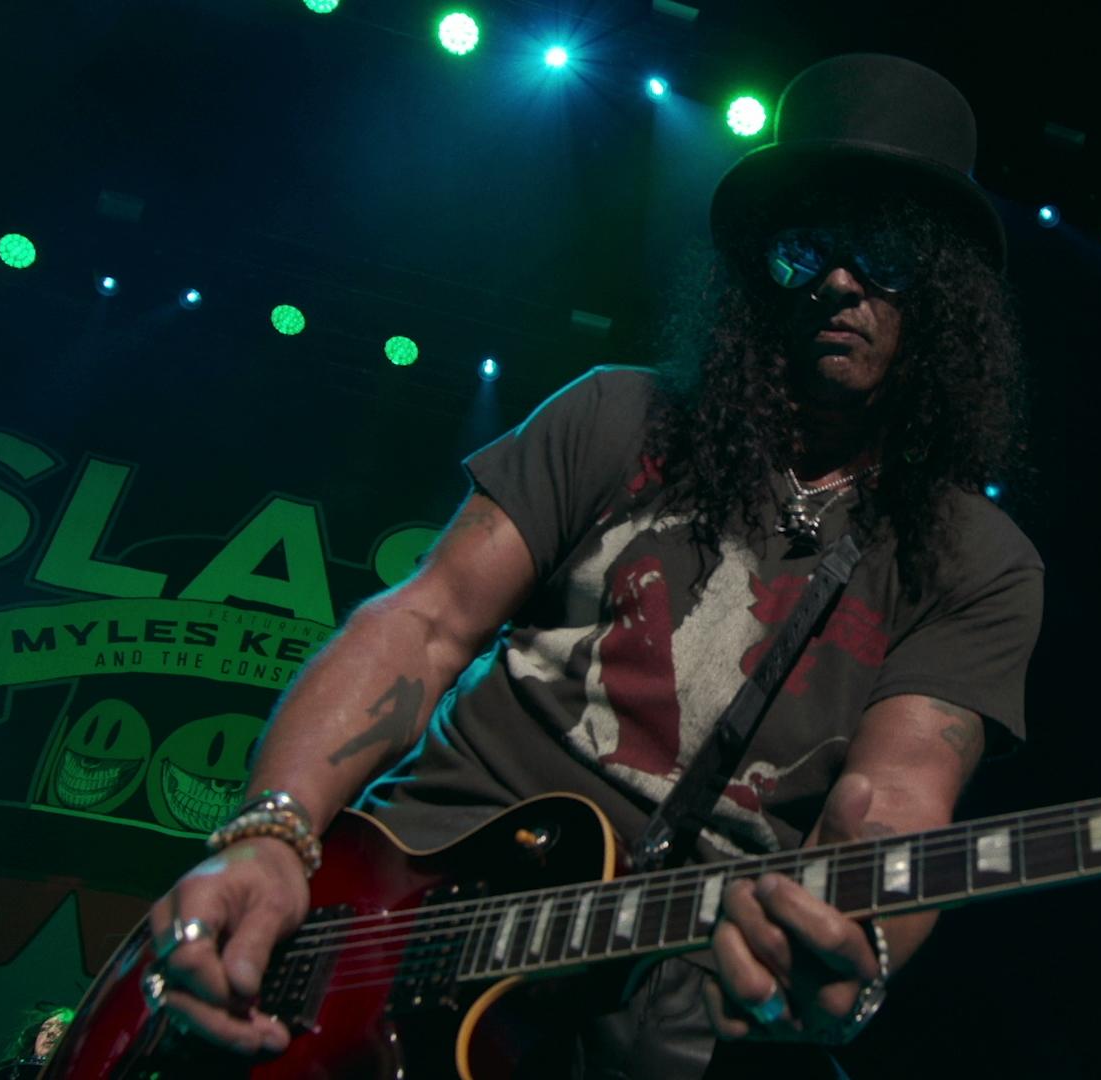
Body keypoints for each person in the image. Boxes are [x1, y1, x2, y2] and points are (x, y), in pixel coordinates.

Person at [147, 53, 1042, 1078]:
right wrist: (272, 835)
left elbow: (902, 788)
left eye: (883, 254)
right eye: (807, 250)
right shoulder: (620, 417)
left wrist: (859, 946)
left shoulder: (977, 557)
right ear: (760, 271)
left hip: (659, 1002)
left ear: (943, 299)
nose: (839, 282)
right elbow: (422, 623)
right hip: (401, 899)